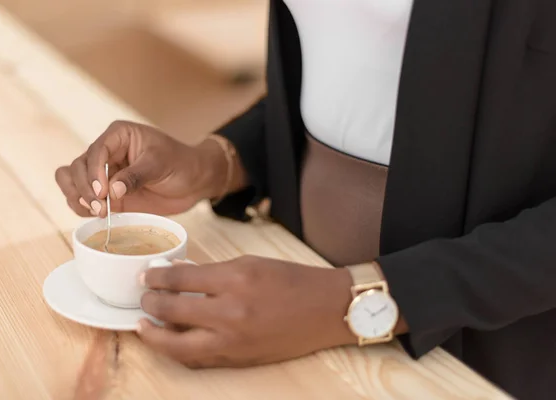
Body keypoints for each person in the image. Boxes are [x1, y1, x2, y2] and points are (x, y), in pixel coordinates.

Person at [55, 1, 556, 399]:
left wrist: (353, 302)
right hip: (290, 297)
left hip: (479, 347)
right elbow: (353, 72)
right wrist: (215, 162)